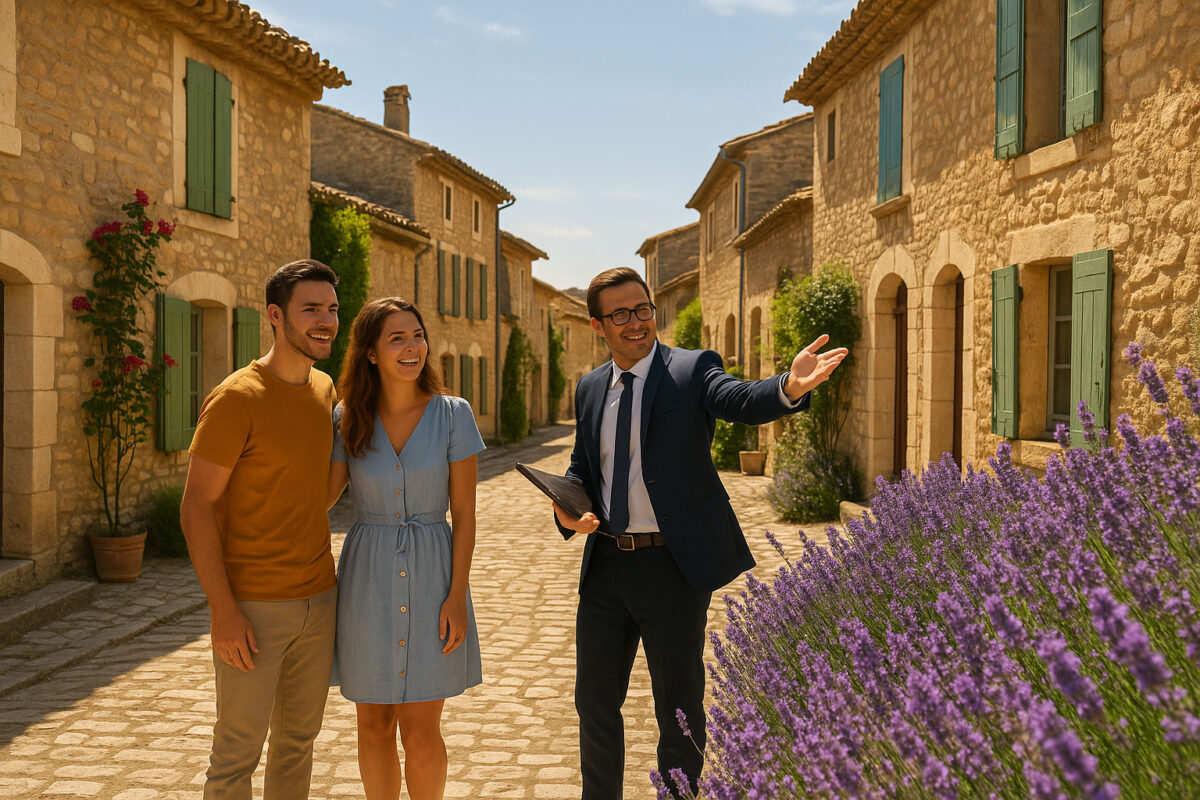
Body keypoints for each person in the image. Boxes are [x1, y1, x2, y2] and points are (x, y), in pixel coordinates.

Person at [552, 267, 848, 799]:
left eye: (643, 308)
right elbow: (581, 468)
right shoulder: (591, 387)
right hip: (605, 568)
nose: (636, 321)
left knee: (678, 707)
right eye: (620, 314)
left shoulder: (691, 370)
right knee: (593, 701)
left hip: (672, 566)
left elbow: (739, 399)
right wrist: (566, 508)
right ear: (598, 326)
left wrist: (788, 387)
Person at [180, 259, 341, 799]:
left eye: (332, 309)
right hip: (253, 608)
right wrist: (223, 611)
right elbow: (196, 506)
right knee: (236, 755)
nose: (325, 321)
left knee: (298, 743)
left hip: (320, 600)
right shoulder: (236, 399)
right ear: (275, 316)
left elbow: (318, 492)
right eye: (311, 309)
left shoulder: (325, 389)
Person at [327, 297, 484, 800]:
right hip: (366, 582)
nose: (412, 346)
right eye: (397, 338)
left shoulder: (453, 415)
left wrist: (456, 595)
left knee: (420, 728)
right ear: (370, 352)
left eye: (417, 335)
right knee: (372, 725)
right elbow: (321, 499)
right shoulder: (346, 417)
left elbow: (465, 515)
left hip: (434, 574)